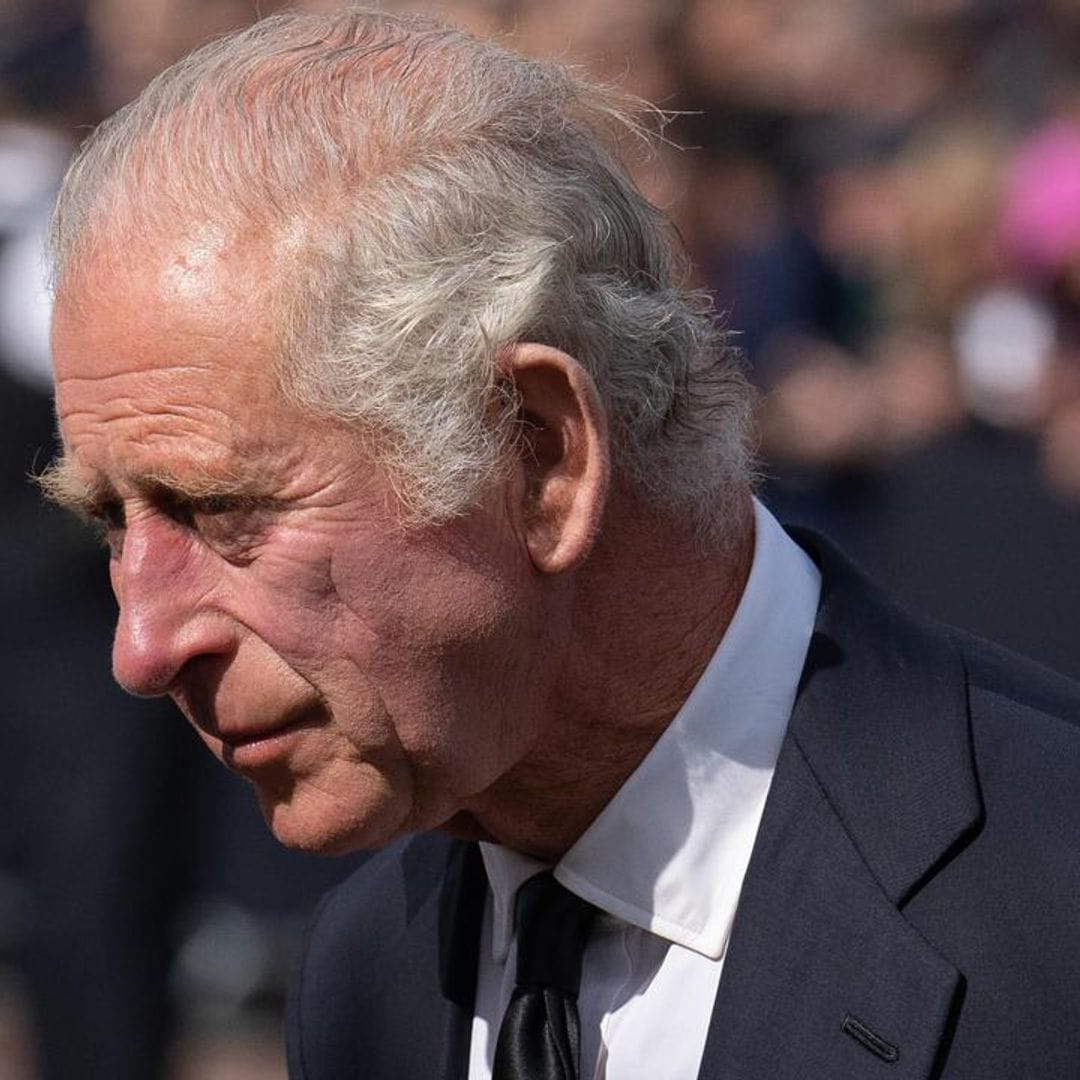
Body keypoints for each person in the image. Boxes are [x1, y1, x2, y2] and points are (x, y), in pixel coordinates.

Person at [43, 10, 1080, 1079]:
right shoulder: (369, 971)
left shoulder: (1048, 911)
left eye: (222, 512)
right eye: (113, 521)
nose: (143, 646)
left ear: (539, 456)